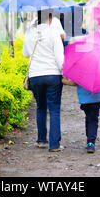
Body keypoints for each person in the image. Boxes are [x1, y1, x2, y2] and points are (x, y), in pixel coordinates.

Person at [23, 11, 65, 152]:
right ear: (50, 18)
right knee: (54, 109)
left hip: (35, 76)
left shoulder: (29, 32)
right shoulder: (53, 32)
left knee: (40, 107)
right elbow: (60, 57)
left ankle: (41, 140)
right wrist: (64, 73)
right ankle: (54, 145)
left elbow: (25, 53)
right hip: (52, 75)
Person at [76, 84, 100, 153]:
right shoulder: (99, 73)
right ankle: (91, 142)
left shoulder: (81, 73)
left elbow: (73, 83)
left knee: (88, 119)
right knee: (93, 121)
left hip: (84, 100)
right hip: (95, 100)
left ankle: (89, 139)